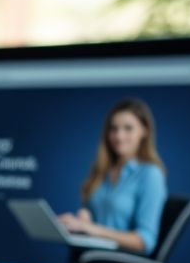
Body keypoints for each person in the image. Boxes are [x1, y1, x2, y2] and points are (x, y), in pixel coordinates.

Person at [58, 98, 168, 254]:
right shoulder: (102, 171)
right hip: (91, 256)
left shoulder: (150, 174)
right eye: (114, 129)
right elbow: (92, 221)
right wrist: (83, 220)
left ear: (145, 130)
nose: (119, 136)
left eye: (128, 128)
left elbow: (145, 241)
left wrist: (92, 229)